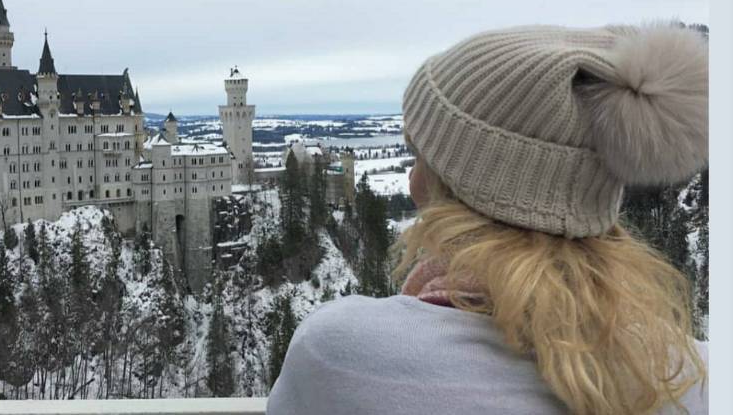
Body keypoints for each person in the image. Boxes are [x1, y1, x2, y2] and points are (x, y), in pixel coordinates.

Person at [266, 23, 709, 415]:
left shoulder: (341, 355)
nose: (411, 178)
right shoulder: (688, 375)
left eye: (421, 156)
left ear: (456, 185)